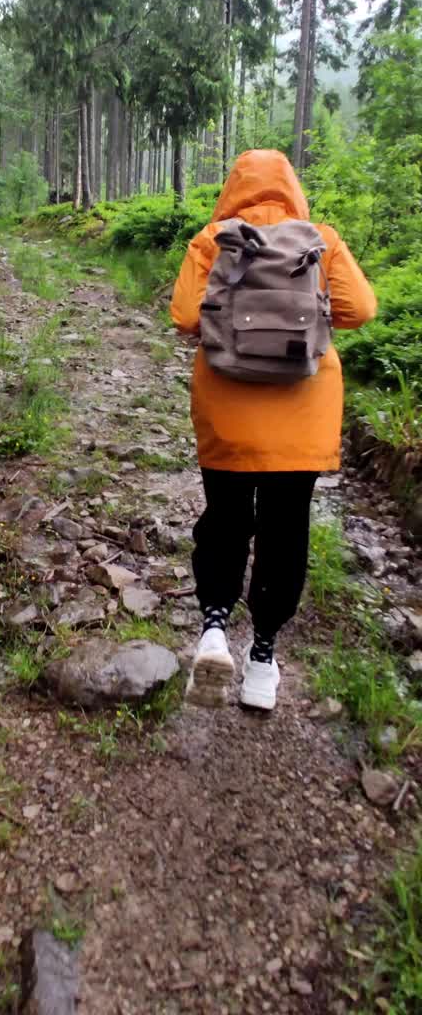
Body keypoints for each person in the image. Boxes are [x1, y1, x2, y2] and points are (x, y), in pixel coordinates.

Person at [170, 149, 376, 711]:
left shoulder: (213, 236)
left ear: (234, 186)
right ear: (292, 187)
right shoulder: (320, 237)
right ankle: (262, 658)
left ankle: (214, 627)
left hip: (227, 412)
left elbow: (185, 316)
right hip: (302, 419)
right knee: (286, 532)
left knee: (226, 519)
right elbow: (361, 308)